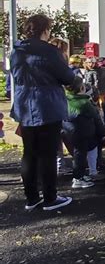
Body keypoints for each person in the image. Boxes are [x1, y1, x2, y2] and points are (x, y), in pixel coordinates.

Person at [10, 14, 75, 211]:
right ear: (44, 30)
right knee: (48, 153)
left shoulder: (16, 51)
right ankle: (50, 198)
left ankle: (31, 198)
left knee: (29, 153)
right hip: (46, 105)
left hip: (24, 104)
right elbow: (67, 77)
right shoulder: (49, 51)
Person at [62, 77, 105, 188]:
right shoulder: (84, 102)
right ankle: (78, 178)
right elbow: (96, 117)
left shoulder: (65, 100)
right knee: (80, 156)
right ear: (82, 87)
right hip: (84, 132)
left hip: (70, 132)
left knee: (78, 155)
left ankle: (80, 175)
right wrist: (103, 132)